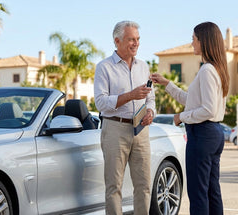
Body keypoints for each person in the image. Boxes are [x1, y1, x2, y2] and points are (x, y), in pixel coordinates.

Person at [151, 21, 229, 215]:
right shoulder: (217, 69)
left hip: (203, 134)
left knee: (198, 193)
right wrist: (166, 83)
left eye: (193, 39)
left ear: (204, 41)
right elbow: (191, 100)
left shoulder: (207, 70)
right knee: (212, 191)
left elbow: (208, 109)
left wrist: (181, 117)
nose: (191, 43)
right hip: (213, 134)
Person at [94, 20, 156, 215]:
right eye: (131, 39)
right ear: (117, 41)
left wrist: (150, 112)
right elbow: (101, 103)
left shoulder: (143, 66)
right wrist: (130, 95)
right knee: (114, 187)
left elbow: (150, 98)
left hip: (141, 131)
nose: (136, 43)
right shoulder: (104, 67)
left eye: (137, 39)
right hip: (114, 129)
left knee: (144, 185)